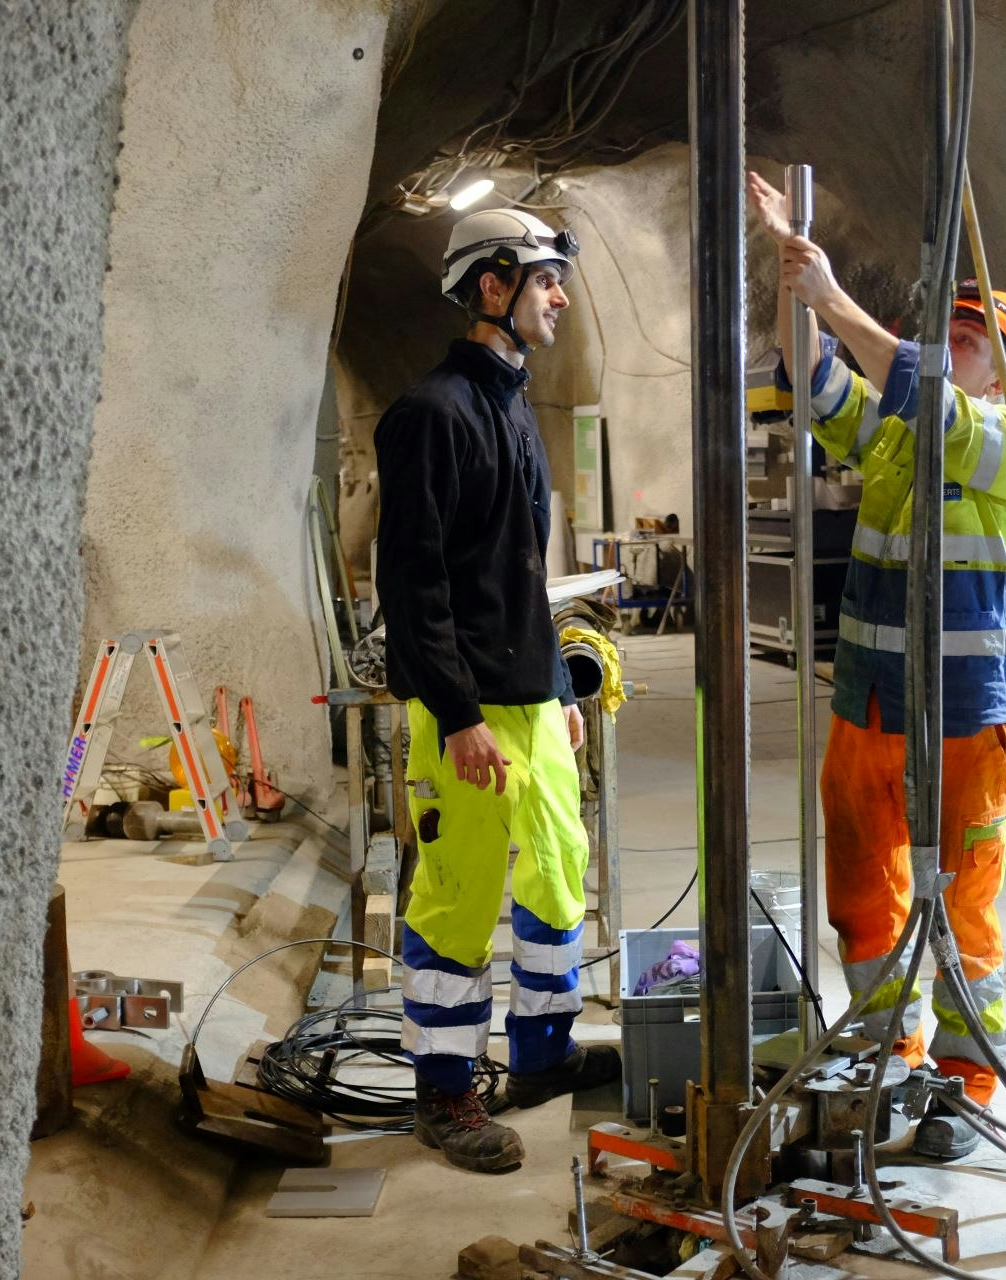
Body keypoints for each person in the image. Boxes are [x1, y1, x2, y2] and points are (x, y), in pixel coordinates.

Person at [748, 170, 1006, 1160]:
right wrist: (791, 266)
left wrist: (834, 296)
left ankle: (967, 1088)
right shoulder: (897, 435)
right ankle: (886, 1060)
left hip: (960, 716)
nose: (951, 342)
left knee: (961, 911)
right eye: (948, 329)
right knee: (864, 903)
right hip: (868, 708)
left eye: (972, 337)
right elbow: (817, 379)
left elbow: (922, 392)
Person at [374, 207, 619, 1174]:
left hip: (530, 700)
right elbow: (415, 585)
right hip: (466, 712)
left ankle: (541, 1055)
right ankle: (444, 1094)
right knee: (458, 897)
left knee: (558, 873)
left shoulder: (514, 404)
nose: (560, 299)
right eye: (546, 280)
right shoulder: (429, 415)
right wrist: (459, 715)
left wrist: (556, 683)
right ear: (493, 285)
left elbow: (520, 573)